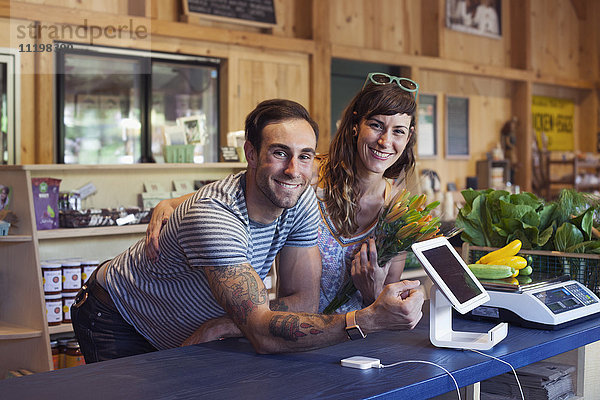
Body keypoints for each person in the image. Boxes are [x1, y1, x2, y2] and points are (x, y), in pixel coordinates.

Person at [71, 98, 424, 362]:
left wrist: (231, 322)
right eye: (279, 153)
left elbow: (304, 300)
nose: (293, 170)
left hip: (193, 326)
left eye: (304, 156)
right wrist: (365, 320)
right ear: (251, 154)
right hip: (119, 315)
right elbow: (263, 333)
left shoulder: (299, 196)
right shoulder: (215, 217)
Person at [148, 73, 423, 339]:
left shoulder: (400, 211)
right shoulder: (307, 172)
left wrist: (370, 291)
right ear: (355, 126)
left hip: (354, 335)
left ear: (408, 137)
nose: (385, 141)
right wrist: (170, 203)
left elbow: (387, 306)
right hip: (289, 332)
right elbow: (242, 187)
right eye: (376, 125)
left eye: (398, 131)